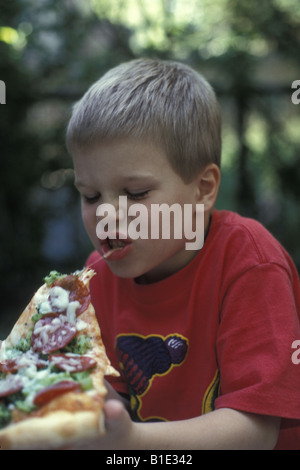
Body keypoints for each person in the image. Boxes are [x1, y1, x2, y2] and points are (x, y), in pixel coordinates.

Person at [66, 58, 300, 449]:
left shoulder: (249, 264)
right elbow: (113, 403)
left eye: (136, 194)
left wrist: (132, 443)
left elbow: (257, 434)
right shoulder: (98, 276)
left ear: (203, 189)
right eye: (90, 196)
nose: (106, 214)